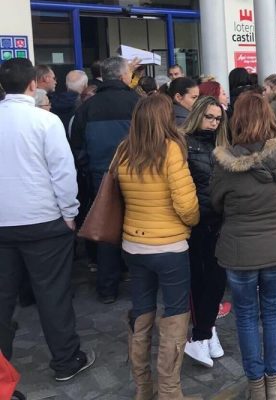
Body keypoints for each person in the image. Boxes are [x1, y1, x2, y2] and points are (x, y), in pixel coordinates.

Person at [0, 58, 96, 382]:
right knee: (52, 295)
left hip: (3, 223)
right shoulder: (45, 121)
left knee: (2, 300)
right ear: (33, 85)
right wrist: (70, 213)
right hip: (43, 221)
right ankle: (66, 360)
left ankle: (2, 367)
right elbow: (63, 171)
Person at [211, 92, 276, 399]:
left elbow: (216, 202)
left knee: (246, 315)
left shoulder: (224, 159)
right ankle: (273, 384)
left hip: (239, 249)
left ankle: (256, 386)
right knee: (273, 311)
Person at [116, 95, 199, 400]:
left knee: (141, 313)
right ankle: (170, 392)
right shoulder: (172, 149)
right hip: (169, 246)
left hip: (133, 244)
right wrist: (190, 224)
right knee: (175, 315)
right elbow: (186, 204)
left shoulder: (123, 150)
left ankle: (143, 389)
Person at [70, 56, 141, 304]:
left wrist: (90, 169)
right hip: (136, 175)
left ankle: (107, 288)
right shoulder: (137, 103)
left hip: (101, 175)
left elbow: (77, 147)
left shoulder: (87, 108)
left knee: (107, 228)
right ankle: (139, 281)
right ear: (124, 76)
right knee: (138, 224)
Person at [181, 97, 230, 369]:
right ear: (198, 114)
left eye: (217, 118)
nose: (213, 122)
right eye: (209, 117)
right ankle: (201, 334)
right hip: (195, 222)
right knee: (200, 281)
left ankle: (206, 331)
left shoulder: (221, 144)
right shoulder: (182, 143)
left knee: (216, 279)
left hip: (219, 220)